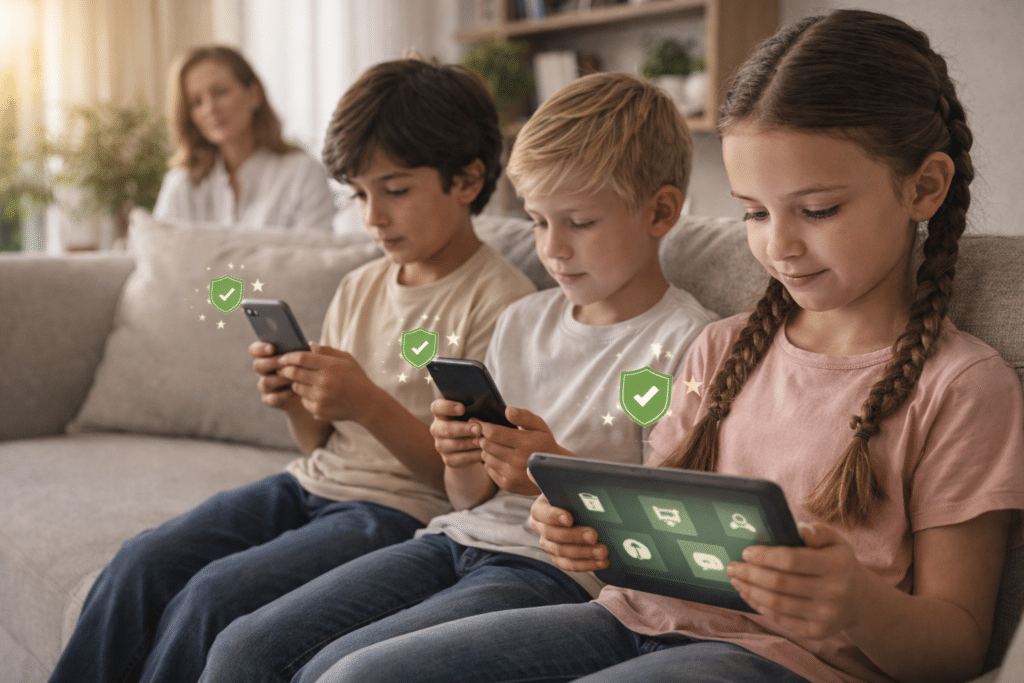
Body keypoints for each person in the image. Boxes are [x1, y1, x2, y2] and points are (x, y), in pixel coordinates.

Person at [302, 10, 1024, 683]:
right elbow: (658, 533)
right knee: (357, 674)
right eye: (753, 212)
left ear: (924, 186)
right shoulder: (720, 349)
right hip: (628, 618)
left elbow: (960, 643)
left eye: (819, 209)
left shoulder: (963, 386)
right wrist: (590, 531)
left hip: (778, 661)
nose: (780, 244)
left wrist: (857, 603)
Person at [195, 72, 718, 683]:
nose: (554, 250)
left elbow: (666, 534)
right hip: (451, 536)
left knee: (344, 674)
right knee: (245, 647)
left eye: (578, 222)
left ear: (661, 211)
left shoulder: (692, 343)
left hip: (549, 571)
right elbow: (466, 496)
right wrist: (462, 454)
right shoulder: (524, 320)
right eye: (538, 222)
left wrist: (551, 471)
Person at [47, 58, 536, 683]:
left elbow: (466, 487)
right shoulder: (362, 284)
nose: (372, 217)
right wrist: (295, 401)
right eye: (359, 194)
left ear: (467, 180)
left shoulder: (501, 304)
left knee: (213, 596)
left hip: (395, 512)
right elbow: (321, 442)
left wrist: (367, 403)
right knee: (139, 563)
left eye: (396, 190)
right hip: (308, 482)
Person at [152, 45, 336, 231]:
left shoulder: (303, 174)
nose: (210, 109)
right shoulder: (181, 183)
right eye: (196, 102)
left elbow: (315, 256)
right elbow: (159, 255)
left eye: (220, 92)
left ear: (254, 95)